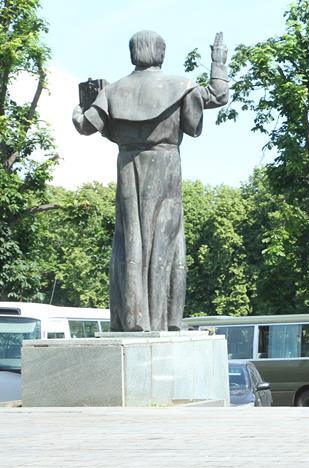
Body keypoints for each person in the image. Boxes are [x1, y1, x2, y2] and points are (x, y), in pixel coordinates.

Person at [72, 31, 229, 331]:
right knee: (165, 240)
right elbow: (218, 95)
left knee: (131, 241)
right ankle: (166, 319)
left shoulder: (113, 91)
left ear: (133, 53)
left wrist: (78, 108)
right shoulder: (179, 86)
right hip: (166, 167)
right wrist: (218, 61)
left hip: (129, 168)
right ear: (161, 53)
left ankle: (133, 318)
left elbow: (84, 125)